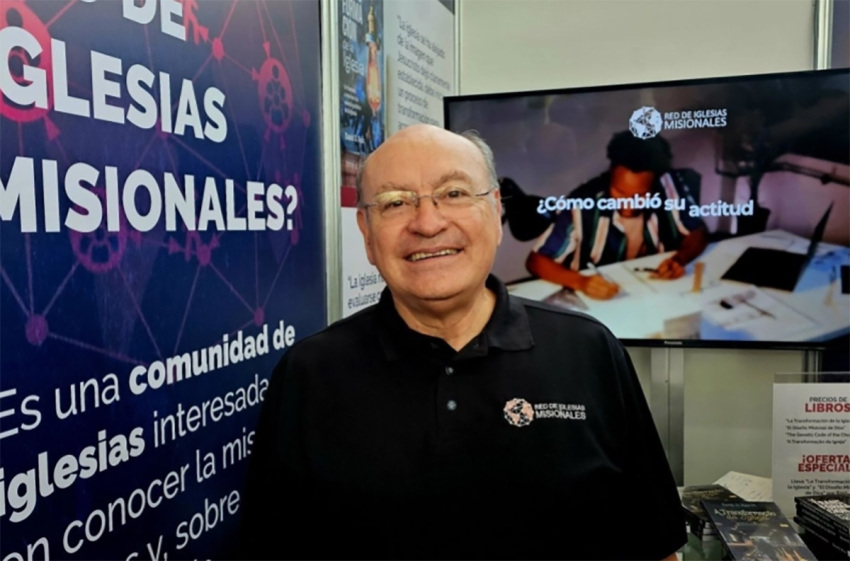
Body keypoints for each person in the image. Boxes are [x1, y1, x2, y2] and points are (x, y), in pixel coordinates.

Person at [239, 124, 686, 560]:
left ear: (495, 212)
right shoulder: (310, 373)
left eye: (454, 193)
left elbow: (655, 545)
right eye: (395, 202)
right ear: (367, 233)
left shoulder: (590, 352)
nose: (428, 223)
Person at [526, 131, 709, 300]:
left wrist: (679, 259)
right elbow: (536, 261)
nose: (629, 205)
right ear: (611, 174)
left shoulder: (668, 185)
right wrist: (581, 282)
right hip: (598, 300)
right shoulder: (582, 201)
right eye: (620, 193)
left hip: (655, 294)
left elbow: (697, 232)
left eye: (641, 196)